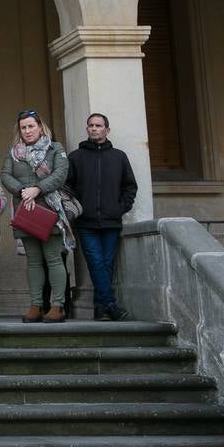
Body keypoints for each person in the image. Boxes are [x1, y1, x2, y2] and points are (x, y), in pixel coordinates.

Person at [0, 109, 73, 323]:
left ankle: (57, 306)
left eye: (31, 126)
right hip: (26, 212)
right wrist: (23, 190)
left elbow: (60, 174)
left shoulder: (54, 148)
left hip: (50, 211)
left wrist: (37, 189)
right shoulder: (13, 152)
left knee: (53, 258)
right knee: (33, 261)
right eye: (24, 127)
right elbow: (5, 175)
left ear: (40, 127)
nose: (28, 130)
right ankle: (36, 305)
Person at [68, 113, 138, 321]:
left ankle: (100, 308)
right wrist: (77, 208)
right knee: (96, 262)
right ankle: (111, 305)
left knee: (107, 264)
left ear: (107, 130)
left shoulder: (119, 157)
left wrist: (120, 208)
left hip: (111, 221)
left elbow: (130, 186)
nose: (94, 128)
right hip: (86, 222)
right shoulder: (76, 157)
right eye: (90, 125)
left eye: (98, 125)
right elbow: (67, 187)